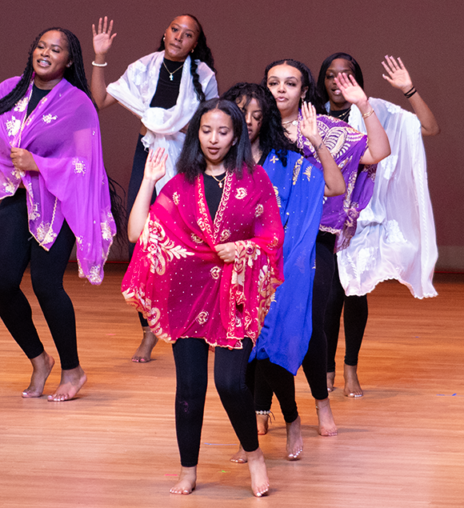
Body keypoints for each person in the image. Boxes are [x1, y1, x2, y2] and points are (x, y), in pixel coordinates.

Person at [122, 99, 283, 497]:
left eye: (223, 132)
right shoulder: (181, 183)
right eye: (206, 131)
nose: (213, 139)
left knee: (230, 384)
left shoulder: (255, 180)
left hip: (234, 294)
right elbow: (136, 232)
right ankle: (188, 469)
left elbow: (273, 238)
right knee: (190, 389)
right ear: (197, 134)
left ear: (236, 137)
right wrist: (148, 180)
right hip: (188, 293)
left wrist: (243, 248)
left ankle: (255, 454)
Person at [0, 27, 117, 402]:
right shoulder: (10, 89)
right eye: (41, 45)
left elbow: (87, 162)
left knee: (45, 283)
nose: (45, 53)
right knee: (0, 283)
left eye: (56, 49)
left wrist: (39, 163)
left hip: (60, 201)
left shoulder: (78, 103)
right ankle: (39, 359)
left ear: (69, 60)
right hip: (21, 198)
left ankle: (73, 369)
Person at [262, 59, 389, 436]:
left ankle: (321, 404)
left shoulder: (326, 129)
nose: (281, 89)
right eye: (273, 82)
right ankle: (261, 408)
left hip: (312, 239)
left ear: (304, 91)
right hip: (263, 244)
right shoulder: (251, 130)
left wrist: (364, 106)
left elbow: (377, 152)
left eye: (290, 83)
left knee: (311, 326)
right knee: (261, 327)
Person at [220, 82, 345, 462]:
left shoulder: (286, 162)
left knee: (271, 352)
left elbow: (336, 186)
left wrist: (316, 143)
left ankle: (290, 418)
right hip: (234, 273)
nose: (250, 121)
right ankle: (250, 435)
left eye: (258, 115)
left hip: (281, 271)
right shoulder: (219, 163)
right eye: (243, 113)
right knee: (242, 361)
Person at [89, 14, 218, 362]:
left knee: (192, 244)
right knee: (140, 241)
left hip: (187, 161)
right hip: (149, 158)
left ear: (195, 43)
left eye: (188, 34)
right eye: (175, 29)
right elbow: (100, 100)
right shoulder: (144, 67)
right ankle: (148, 330)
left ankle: (195, 323)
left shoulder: (204, 76)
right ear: (165, 33)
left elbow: (210, 125)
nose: (179, 37)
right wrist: (99, 56)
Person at [317, 53, 440, 398]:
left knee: (356, 293)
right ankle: (327, 372)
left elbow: (429, 128)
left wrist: (409, 89)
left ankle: (350, 369)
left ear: (357, 79)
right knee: (327, 300)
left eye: (347, 75)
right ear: (322, 81)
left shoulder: (376, 110)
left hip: (363, 217)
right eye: (331, 75)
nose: (338, 81)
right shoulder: (313, 114)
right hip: (323, 218)